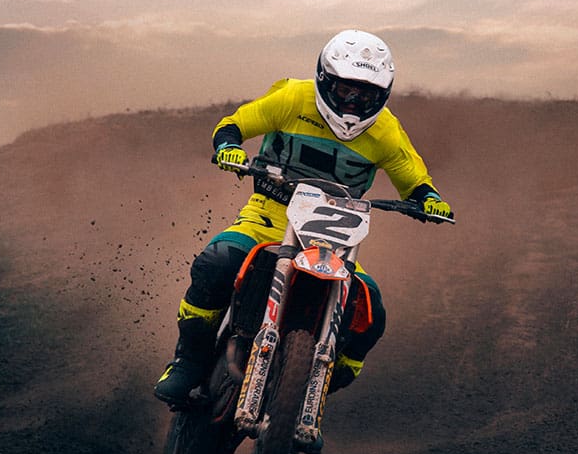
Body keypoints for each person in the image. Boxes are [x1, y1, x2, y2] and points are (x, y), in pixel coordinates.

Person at [154, 29, 453, 406]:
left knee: (370, 310)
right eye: (346, 91)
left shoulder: (386, 132)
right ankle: (188, 361)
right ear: (325, 81)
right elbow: (235, 124)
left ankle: (311, 395)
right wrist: (228, 146)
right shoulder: (293, 97)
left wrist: (429, 200)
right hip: (266, 218)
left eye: (367, 96)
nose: (355, 103)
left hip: (334, 239)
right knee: (218, 262)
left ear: (384, 95)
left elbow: (416, 181)